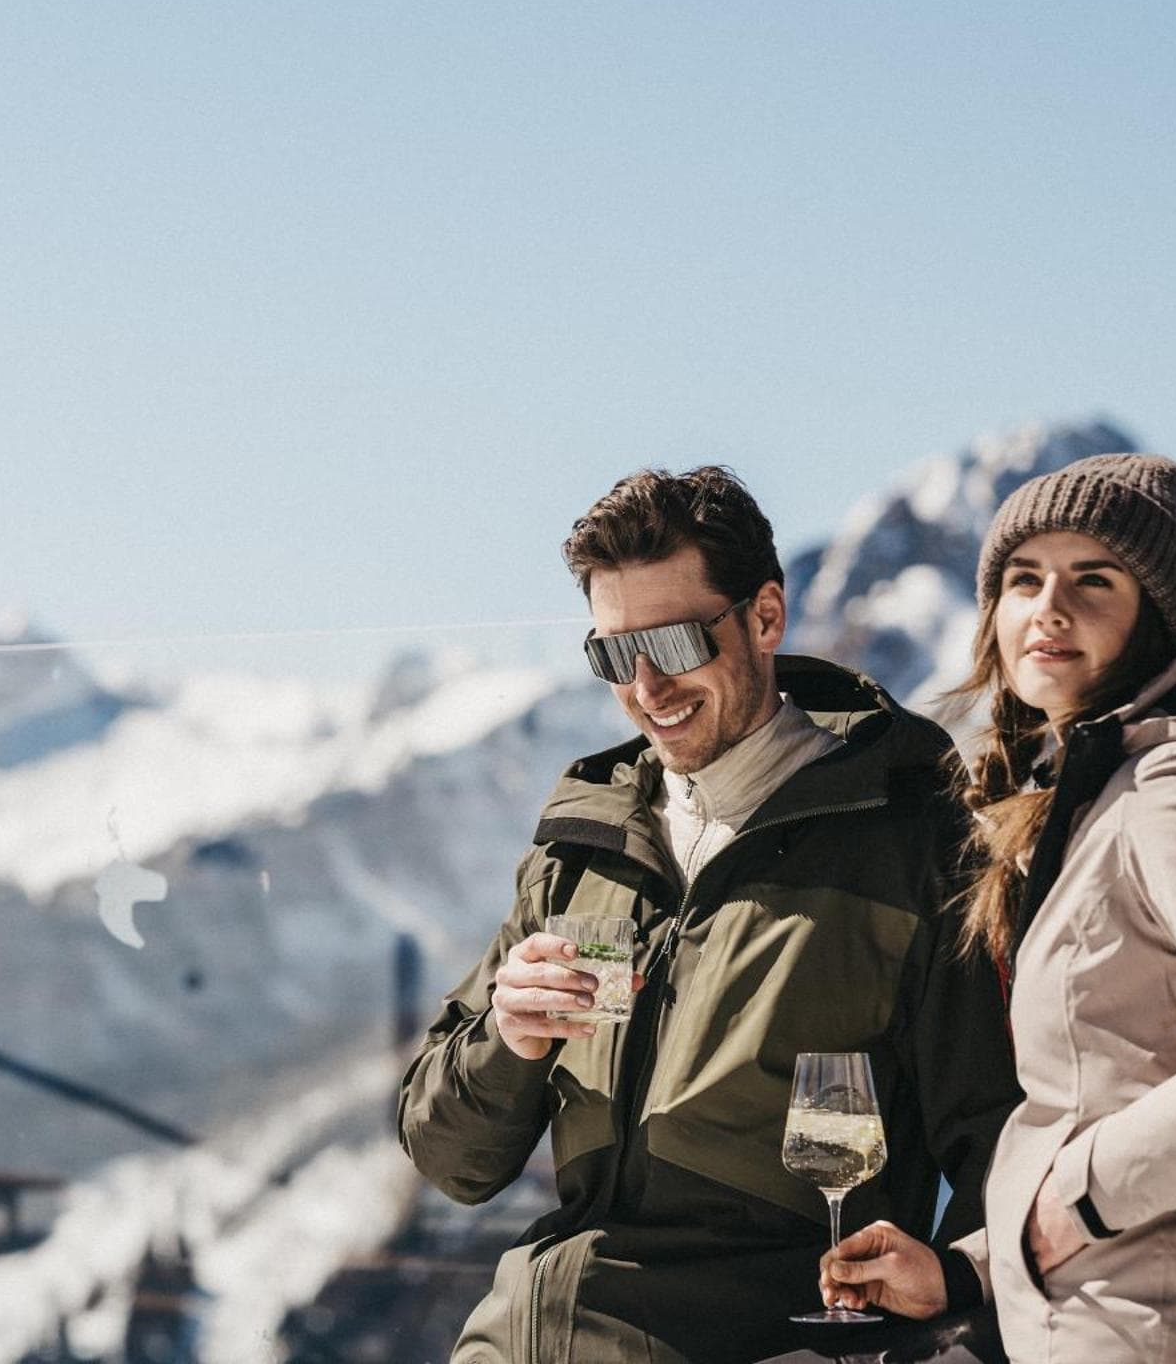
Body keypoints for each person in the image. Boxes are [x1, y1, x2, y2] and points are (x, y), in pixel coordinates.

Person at [398, 464, 1019, 1364]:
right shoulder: (585, 850)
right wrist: (508, 1039)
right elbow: (449, 1158)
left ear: (765, 617)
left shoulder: (910, 844)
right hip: (516, 1335)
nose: (647, 687)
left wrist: (946, 1311)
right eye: (615, 655)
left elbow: (1006, 1141)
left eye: (676, 643)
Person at [819, 452, 1176, 1363]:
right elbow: (1124, 1094)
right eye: (1024, 579)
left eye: (1094, 581)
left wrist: (1075, 1198)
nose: (1049, 607)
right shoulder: (1109, 790)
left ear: (1151, 619)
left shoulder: (1173, 797)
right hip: (1127, 1310)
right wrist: (971, 1270)